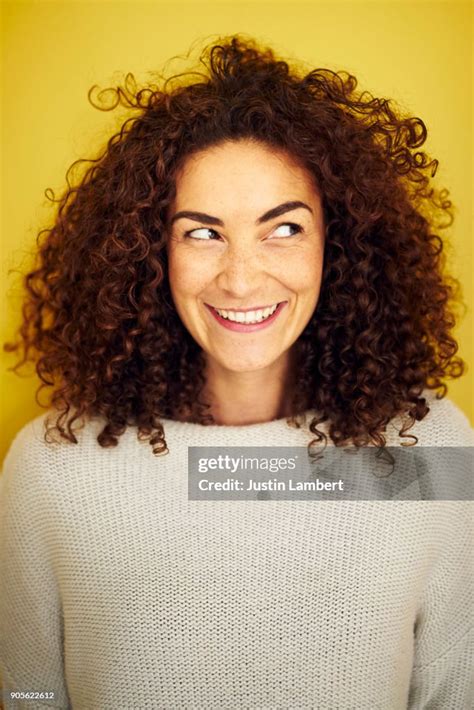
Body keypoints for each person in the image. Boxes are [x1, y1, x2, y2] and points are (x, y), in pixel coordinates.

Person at [1, 35, 472, 709]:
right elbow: (31, 696)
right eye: (201, 232)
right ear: (149, 253)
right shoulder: (53, 467)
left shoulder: (428, 454)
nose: (243, 279)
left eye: (283, 229)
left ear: (337, 245)